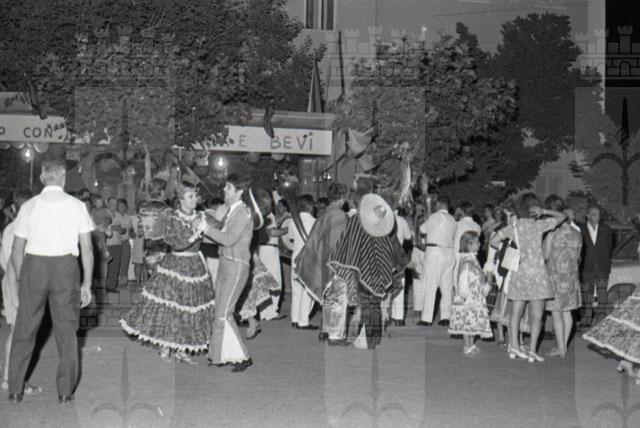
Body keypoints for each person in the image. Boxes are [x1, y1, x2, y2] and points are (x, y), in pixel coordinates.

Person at [7, 160, 94, 404]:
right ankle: (65, 392)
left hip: (34, 266)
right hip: (65, 268)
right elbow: (87, 248)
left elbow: (17, 250)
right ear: (63, 178)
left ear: (42, 178)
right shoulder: (77, 206)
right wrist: (87, 284)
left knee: (25, 328)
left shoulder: (29, 206)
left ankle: (15, 390)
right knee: (67, 331)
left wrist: (21, 277)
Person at [120, 182, 216, 365]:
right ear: (181, 199)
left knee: (190, 307)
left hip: (196, 266)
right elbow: (175, 242)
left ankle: (181, 348)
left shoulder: (201, 216)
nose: (194, 200)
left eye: (195, 196)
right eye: (190, 196)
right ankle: (165, 346)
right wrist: (197, 231)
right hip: (175, 266)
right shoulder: (173, 217)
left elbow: (220, 229)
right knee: (171, 306)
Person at [490, 193, 565, 363]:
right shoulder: (540, 225)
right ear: (535, 207)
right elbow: (562, 217)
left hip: (520, 273)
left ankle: (514, 346)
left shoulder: (514, 227)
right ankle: (532, 351)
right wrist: (544, 211)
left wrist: (510, 249)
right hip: (538, 274)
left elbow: (493, 241)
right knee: (537, 315)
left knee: (516, 313)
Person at [204, 174, 257, 372]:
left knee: (224, 314)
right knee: (219, 311)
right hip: (225, 263)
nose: (224, 190)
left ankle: (244, 357)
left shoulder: (243, 213)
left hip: (237, 266)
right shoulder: (230, 211)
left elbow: (228, 239)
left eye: (228, 187)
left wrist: (205, 228)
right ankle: (219, 355)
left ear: (239, 191)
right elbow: (219, 237)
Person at [1, 190, 40, 395]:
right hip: (20, 281)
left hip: (9, 281)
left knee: (16, 330)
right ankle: (16, 380)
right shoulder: (27, 229)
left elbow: (3, 260)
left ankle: (9, 378)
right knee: (23, 333)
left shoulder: (9, 228)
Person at [543, 195, 582, 358]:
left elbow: (545, 256)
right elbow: (578, 257)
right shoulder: (577, 233)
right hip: (571, 277)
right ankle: (563, 346)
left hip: (555, 277)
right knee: (567, 312)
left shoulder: (552, 233)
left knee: (556, 312)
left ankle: (561, 349)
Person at [448, 231, 493, 356]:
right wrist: (465, 296)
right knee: (467, 321)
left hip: (474, 296)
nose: (480, 244)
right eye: (477, 242)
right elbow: (463, 280)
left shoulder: (472, 259)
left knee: (472, 322)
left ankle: (471, 344)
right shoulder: (466, 261)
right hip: (469, 297)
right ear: (469, 244)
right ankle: (467, 345)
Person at [418, 196, 457, 325]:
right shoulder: (452, 219)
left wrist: (424, 219)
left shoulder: (436, 216)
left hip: (436, 252)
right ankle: (445, 317)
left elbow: (423, 229)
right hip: (449, 252)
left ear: (440, 204)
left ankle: (426, 318)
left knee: (430, 284)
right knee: (447, 288)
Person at [578, 205, 613, 330]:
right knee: (587, 294)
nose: (597, 217)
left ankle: (602, 320)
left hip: (602, 267)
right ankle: (586, 320)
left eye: (598, 214)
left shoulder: (606, 229)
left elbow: (609, 247)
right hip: (586, 267)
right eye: (594, 214)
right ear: (587, 215)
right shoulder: (580, 229)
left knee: (602, 293)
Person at [288, 194, 318, 330]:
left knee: (296, 289)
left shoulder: (292, 221)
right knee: (308, 291)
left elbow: (291, 238)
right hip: (308, 258)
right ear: (310, 206)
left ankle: (294, 319)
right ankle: (303, 321)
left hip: (295, 256)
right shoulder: (314, 221)